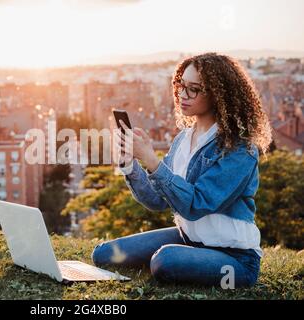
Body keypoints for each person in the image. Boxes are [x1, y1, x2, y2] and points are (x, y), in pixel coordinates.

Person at [92, 52, 272, 288]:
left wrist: (152, 160)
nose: (182, 95)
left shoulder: (241, 149)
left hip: (235, 258)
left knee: (165, 261)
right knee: (104, 254)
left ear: (218, 95)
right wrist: (129, 163)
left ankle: (190, 262)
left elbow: (196, 205)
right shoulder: (183, 140)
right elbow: (156, 200)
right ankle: (189, 259)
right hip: (189, 239)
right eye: (180, 85)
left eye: (194, 89)